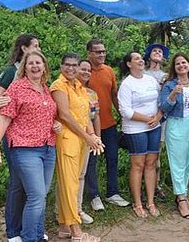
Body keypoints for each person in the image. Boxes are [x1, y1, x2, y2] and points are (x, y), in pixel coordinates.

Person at [0, 51, 59, 242]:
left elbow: (45, 115)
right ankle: (29, 238)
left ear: (45, 66)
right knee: (36, 196)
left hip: (48, 147)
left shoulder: (45, 89)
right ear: (24, 68)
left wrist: (54, 124)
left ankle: (37, 234)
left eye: (38, 62)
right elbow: (4, 118)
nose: (35, 66)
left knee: (41, 196)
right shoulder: (17, 88)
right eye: (31, 63)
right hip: (25, 148)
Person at [0, 33, 41, 242]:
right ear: (24, 49)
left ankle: (30, 228)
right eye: (36, 45)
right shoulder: (10, 71)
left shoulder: (38, 75)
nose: (39, 48)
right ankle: (13, 230)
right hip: (14, 136)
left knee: (32, 188)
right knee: (17, 183)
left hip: (34, 139)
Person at [51, 53, 103, 242]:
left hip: (81, 141)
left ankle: (65, 227)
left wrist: (92, 136)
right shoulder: (58, 86)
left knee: (74, 183)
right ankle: (76, 232)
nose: (71, 68)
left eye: (74, 65)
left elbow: (85, 115)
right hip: (67, 140)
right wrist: (86, 137)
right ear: (61, 66)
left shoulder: (79, 87)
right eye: (67, 65)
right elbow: (64, 115)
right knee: (69, 186)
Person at [159, 53, 189, 219]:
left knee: (187, 161)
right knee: (177, 162)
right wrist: (173, 94)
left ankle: (183, 194)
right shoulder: (169, 85)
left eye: (184, 62)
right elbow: (164, 106)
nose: (181, 65)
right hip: (176, 124)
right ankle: (181, 198)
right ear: (174, 67)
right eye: (178, 63)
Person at [85, 39, 130, 210]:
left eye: (103, 51)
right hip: (89, 127)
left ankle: (112, 193)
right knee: (92, 162)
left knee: (112, 159)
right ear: (89, 53)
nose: (102, 54)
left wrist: (122, 115)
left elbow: (114, 95)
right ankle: (94, 195)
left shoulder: (109, 71)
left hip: (109, 124)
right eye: (97, 52)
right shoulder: (85, 71)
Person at [118, 51, 163, 218]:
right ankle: (137, 203)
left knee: (151, 163)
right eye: (136, 58)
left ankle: (150, 201)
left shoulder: (151, 80)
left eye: (141, 58)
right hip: (135, 129)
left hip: (154, 126)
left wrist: (157, 117)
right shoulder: (127, 84)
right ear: (129, 64)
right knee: (138, 165)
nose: (141, 60)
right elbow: (125, 110)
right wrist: (146, 119)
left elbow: (161, 100)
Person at [144, 43, 170, 201]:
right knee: (141, 153)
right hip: (142, 118)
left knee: (156, 154)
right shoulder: (142, 73)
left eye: (160, 51)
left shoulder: (166, 76)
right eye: (155, 50)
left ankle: (156, 184)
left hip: (160, 117)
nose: (158, 53)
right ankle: (143, 183)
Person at [76, 59, 101, 224]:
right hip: (72, 137)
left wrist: (96, 137)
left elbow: (95, 116)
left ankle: (77, 209)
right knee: (70, 176)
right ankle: (65, 211)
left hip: (88, 137)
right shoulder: (66, 89)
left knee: (81, 175)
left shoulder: (91, 93)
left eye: (88, 70)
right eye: (83, 69)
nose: (86, 72)